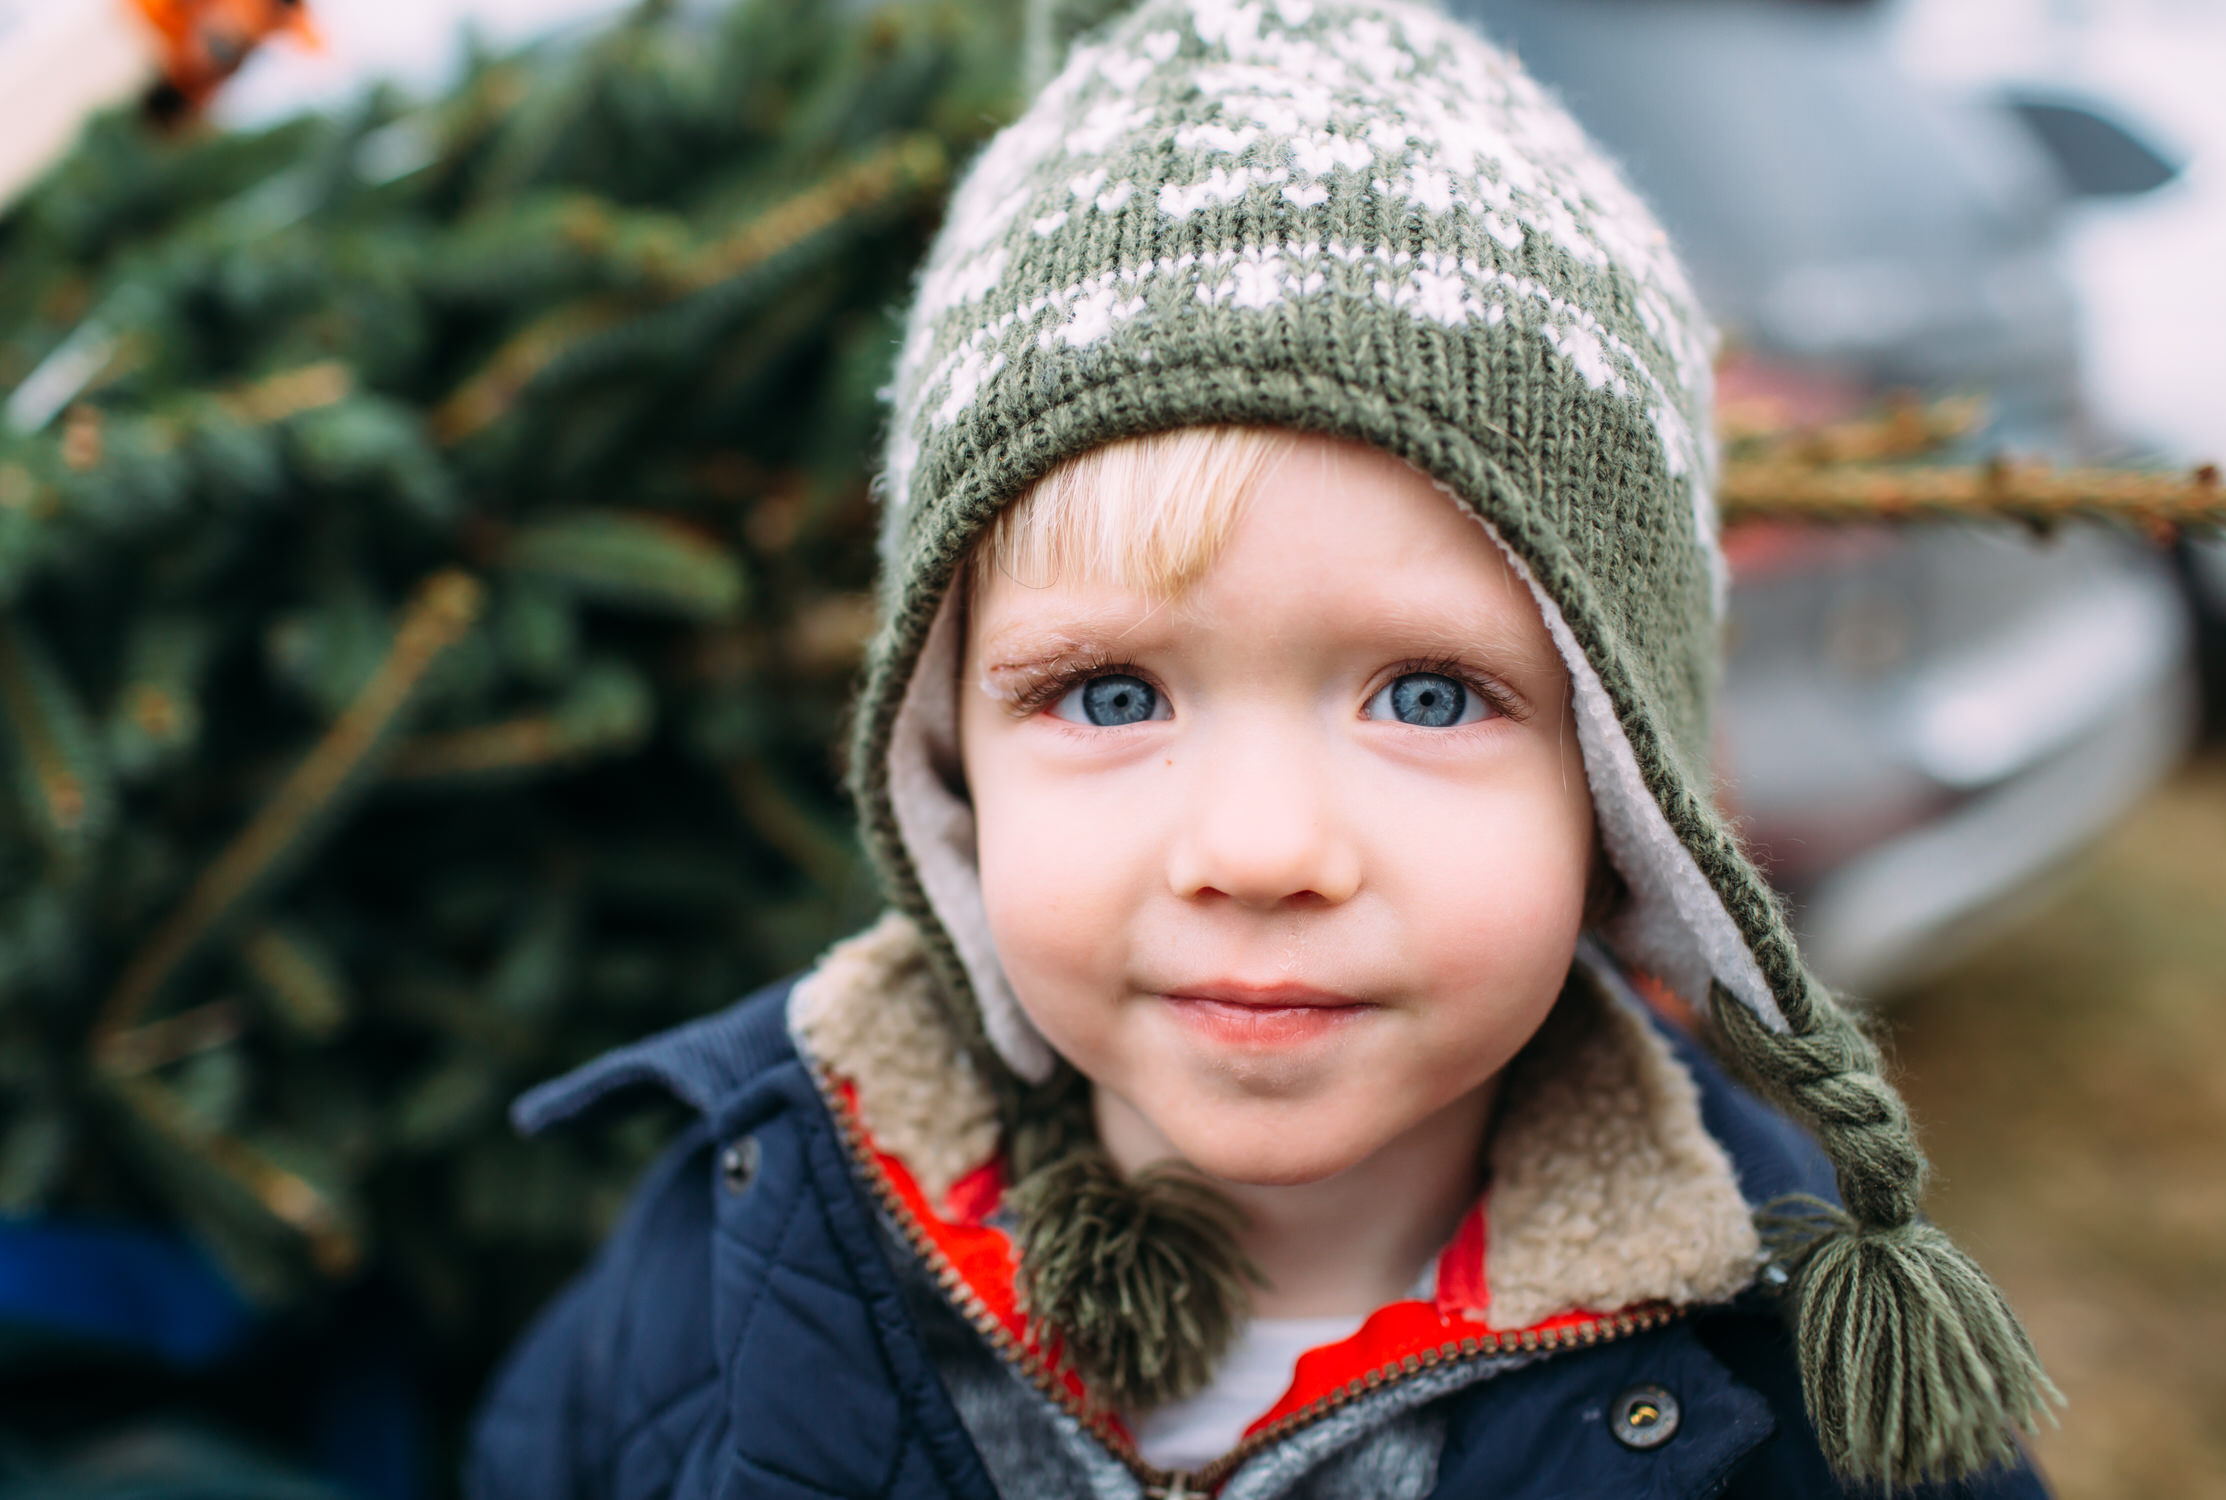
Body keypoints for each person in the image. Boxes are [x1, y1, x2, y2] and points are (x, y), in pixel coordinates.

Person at [467, 0, 2058, 1495]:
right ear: (949, 761)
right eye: (1108, 696)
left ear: (1619, 785)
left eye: (1427, 696)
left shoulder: (1787, 1389)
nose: (1259, 846)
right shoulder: (735, 1255)